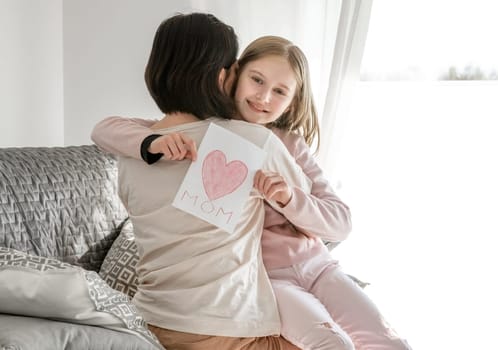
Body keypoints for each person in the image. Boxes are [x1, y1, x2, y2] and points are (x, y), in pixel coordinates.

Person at [92, 32, 412, 350]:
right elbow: (107, 129)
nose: (264, 97)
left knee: (389, 341)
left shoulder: (290, 145)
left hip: (318, 265)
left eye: (279, 91)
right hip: (270, 281)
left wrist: (289, 200)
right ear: (231, 77)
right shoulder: (209, 134)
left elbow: (340, 223)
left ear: (292, 102)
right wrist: (150, 143)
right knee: (333, 341)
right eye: (256, 80)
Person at [96, 13, 314, 350]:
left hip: (147, 322)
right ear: (223, 76)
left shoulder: (133, 151)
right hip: (227, 331)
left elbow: (111, 128)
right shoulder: (253, 141)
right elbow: (309, 203)